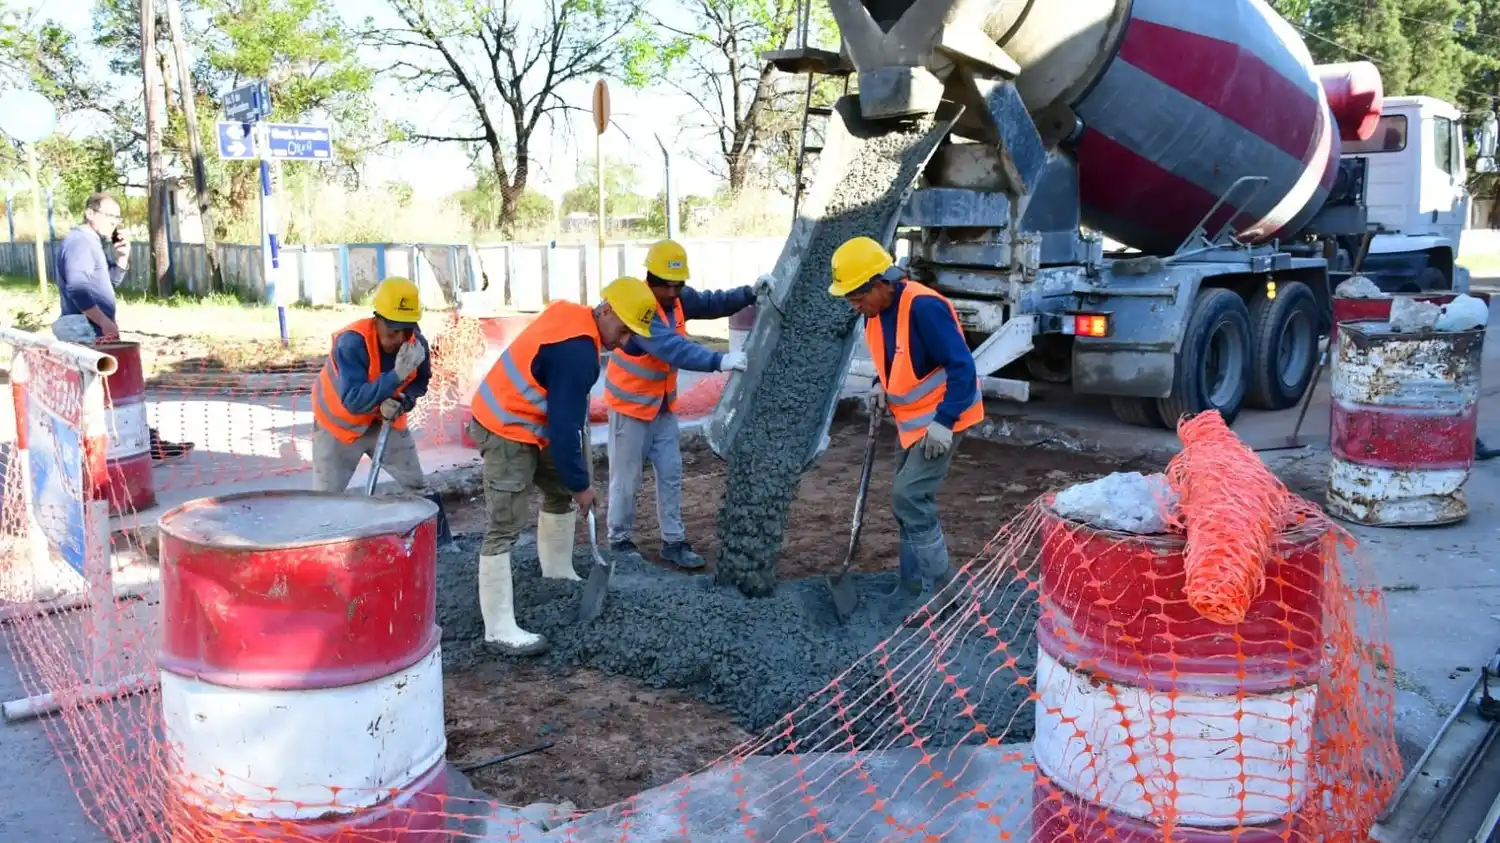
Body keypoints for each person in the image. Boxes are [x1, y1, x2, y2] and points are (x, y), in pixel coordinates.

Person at [467, 276, 657, 656]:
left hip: (533, 422)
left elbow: (565, 417)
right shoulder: (578, 353)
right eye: (623, 330)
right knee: (505, 523)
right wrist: (581, 485)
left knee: (559, 490)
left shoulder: (577, 317)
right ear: (606, 310)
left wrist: (572, 482)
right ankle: (498, 629)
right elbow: (565, 428)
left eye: (631, 336)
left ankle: (556, 573)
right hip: (504, 424)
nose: (623, 343)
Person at [828, 236, 985, 625]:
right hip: (912, 423)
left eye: (857, 297)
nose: (854, 306)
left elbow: (963, 367)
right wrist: (880, 385)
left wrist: (944, 423)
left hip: (945, 419)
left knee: (909, 495)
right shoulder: (876, 311)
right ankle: (910, 586)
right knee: (905, 504)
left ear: (881, 283)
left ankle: (945, 592)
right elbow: (896, 359)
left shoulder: (924, 307)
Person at [603, 239, 771, 570]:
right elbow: (671, 347)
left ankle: (674, 542)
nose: (674, 291)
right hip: (630, 409)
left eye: (678, 284)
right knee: (626, 479)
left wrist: (749, 293)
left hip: (662, 408)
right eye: (667, 285)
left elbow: (712, 302)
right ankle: (619, 540)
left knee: (671, 473)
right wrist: (718, 360)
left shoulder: (679, 298)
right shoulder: (637, 307)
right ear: (651, 278)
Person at [310, 276, 453, 543]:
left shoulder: (416, 346)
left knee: (417, 486)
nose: (397, 339)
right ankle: (322, 549)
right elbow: (353, 400)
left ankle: (437, 545)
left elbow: (420, 382)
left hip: (386, 424)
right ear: (377, 319)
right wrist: (396, 376)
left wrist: (403, 401)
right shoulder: (352, 343)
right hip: (339, 429)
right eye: (391, 331)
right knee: (326, 500)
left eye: (404, 331)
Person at [54, 192, 193, 462]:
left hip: (93, 327)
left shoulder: (92, 243)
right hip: (87, 329)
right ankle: (130, 448)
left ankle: (142, 443)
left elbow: (110, 282)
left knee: (110, 393)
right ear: (90, 213)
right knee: (106, 392)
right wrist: (103, 322)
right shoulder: (79, 243)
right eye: (109, 216)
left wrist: (121, 258)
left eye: (117, 217)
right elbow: (78, 289)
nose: (113, 223)